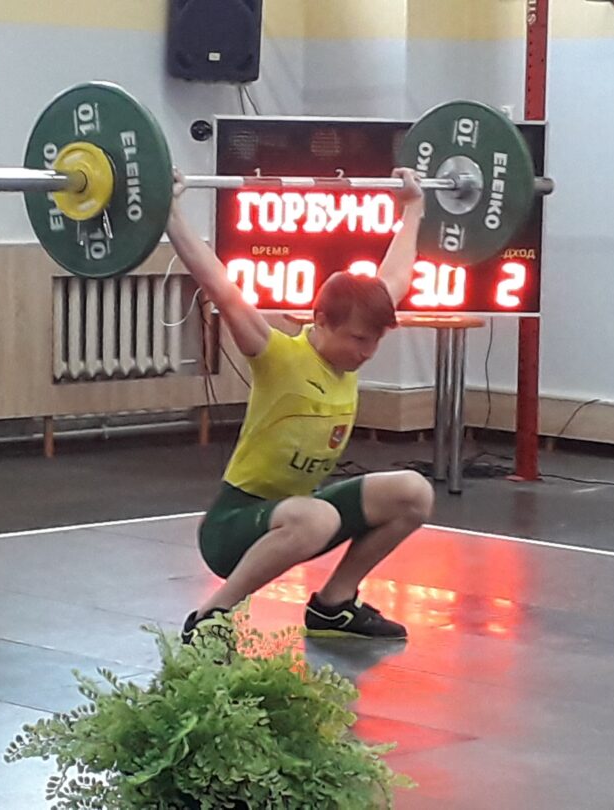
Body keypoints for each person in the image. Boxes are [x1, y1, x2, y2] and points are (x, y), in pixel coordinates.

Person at [165, 167, 435, 641]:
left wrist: (413, 209)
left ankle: (334, 606)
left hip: (299, 514)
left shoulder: (351, 346)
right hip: (233, 528)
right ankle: (211, 618)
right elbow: (218, 283)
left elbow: (394, 277)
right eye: (358, 340)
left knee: (414, 492)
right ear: (320, 319)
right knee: (319, 516)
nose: (368, 352)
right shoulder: (279, 357)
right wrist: (169, 212)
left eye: (375, 341)